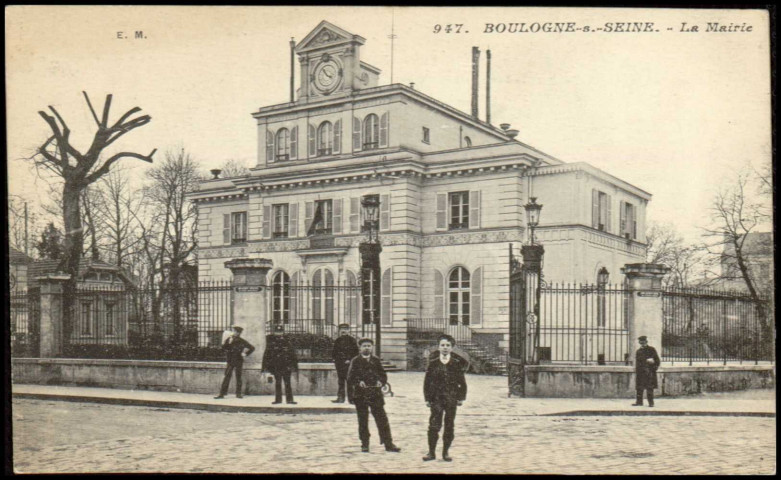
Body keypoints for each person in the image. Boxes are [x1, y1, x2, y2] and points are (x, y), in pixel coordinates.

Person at [346, 338, 401, 453]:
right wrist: (358, 382)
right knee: (363, 420)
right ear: (360, 348)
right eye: (364, 346)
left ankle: (388, 443)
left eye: (369, 346)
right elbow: (350, 377)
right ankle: (365, 444)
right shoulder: (355, 361)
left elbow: (382, 374)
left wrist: (381, 381)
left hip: (375, 394)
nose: (367, 348)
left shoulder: (376, 360)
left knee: (382, 419)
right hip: (361, 395)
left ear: (372, 347)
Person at [422, 334, 467, 462]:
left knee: (449, 425)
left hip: (451, 399)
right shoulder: (433, 363)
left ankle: (445, 452)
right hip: (436, 399)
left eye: (448, 345)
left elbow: (462, 382)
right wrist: (427, 399)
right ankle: (431, 452)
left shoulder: (457, 364)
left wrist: (461, 397)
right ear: (438, 347)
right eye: (442, 345)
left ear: (452, 348)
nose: (445, 348)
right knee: (434, 425)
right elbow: (427, 382)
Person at [262, 324, 299, 405]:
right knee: (278, 383)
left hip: (286, 366)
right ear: (275, 332)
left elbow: (293, 355)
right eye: (277, 332)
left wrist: (294, 367)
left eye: (280, 332)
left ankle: (289, 400)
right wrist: (265, 368)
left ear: (283, 332)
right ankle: (278, 400)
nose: (279, 334)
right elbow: (266, 355)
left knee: (287, 383)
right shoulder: (271, 342)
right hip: (276, 366)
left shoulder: (287, 341)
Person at [215, 325, 255, 399]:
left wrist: (245, 354)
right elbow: (223, 348)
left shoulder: (242, 341)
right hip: (230, 360)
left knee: (238, 377)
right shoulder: (229, 339)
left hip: (238, 360)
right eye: (234, 331)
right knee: (227, 376)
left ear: (238, 333)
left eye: (235, 331)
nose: (234, 333)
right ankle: (222, 394)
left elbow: (252, 348)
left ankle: (238, 394)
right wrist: (227, 342)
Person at [332, 323, 360, 403]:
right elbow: (334, 351)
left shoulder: (352, 340)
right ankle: (340, 398)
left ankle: (351, 399)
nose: (343, 331)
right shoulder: (338, 340)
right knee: (340, 381)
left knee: (350, 381)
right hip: (339, 364)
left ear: (348, 330)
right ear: (339, 331)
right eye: (341, 329)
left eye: (345, 329)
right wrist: (334, 358)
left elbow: (355, 352)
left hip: (349, 364)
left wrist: (349, 359)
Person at [633, 335, 661, 407]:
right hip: (640, 373)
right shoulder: (638, 351)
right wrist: (637, 371)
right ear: (639, 343)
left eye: (644, 342)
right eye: (641, 342)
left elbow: (657, 361)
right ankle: (639, 402)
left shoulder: (651, 349)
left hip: (649, 372)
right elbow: (637, 363)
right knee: (639, 388)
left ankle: (651, 403)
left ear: (646, 342)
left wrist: (653, 367)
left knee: (649, 388)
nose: (642, 344)